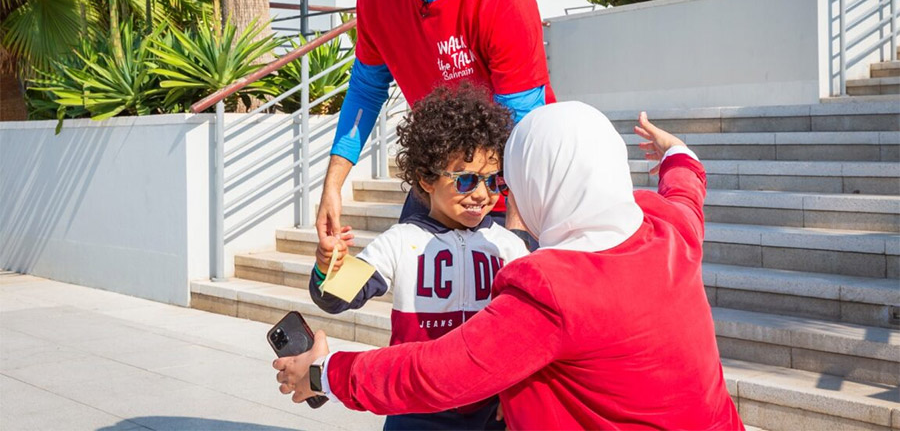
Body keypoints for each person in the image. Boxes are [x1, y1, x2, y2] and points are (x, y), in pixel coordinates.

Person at [275, 103, 745, 431]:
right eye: (465, 180)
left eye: (501, 181)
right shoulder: (670, 228)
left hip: (473, 401)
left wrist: (326, 373)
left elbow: (442, 372)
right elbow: (686, 193)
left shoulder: (547, 280)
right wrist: (677, 153)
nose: (490, 195)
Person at [317, 0, 554, 252]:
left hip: (508, 182)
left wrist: (517, 236)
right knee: (420, 295)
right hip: (440, 176)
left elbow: (523, 125)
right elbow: (365, 89)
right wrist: (333, 186)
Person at [309, 85, 530, 430]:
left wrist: (515, 388)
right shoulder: (400, 241)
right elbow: (335, 299)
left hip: (489, 411)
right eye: (466, 180)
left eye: (493, 181)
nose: (483, 195)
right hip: (413, 409)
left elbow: (525, 330)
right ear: (426, 178)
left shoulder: (508, 247)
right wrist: (327, 267)